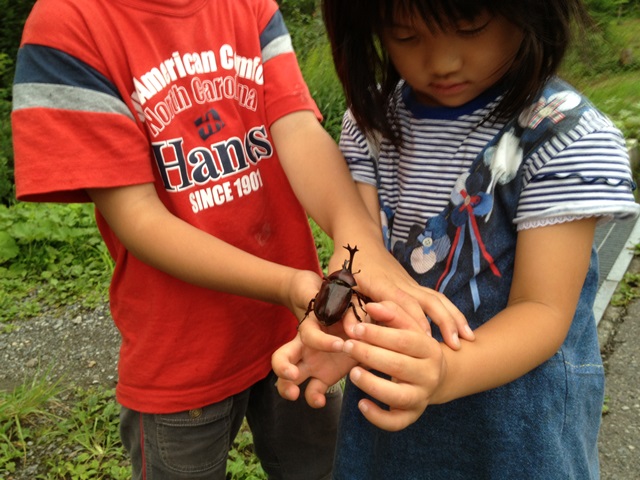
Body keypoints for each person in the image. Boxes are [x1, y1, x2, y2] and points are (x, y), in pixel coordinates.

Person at [11, 0, 472, 478]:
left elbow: (295, 125)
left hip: (300, 336)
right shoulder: (69, 25)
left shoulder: (250, 5)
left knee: (320, 466)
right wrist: (290, 284)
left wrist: (361, 239)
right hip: (182, 352)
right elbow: (138, 218)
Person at [272, 0, 640, 478]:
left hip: (517, 430)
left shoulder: (563, 136)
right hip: (389, 420)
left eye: (470, 28)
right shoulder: (373, 125)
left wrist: (446, 372)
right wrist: (346, 336)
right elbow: (365, 262)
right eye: (406, 36)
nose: (442, 62)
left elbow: (544, 310)